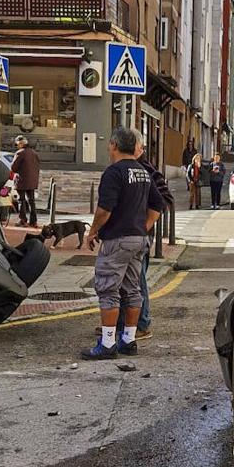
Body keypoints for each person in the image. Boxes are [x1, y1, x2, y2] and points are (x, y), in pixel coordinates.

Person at [81, 128, 164, 367]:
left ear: (114, 145)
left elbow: (105, 209)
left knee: (108, 288)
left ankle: (107, 344)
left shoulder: (114, 172)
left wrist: (93, 230)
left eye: (109, 144)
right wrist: (143, 226)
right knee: (132, 289)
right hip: (139, 239)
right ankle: (128, 340)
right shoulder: (143, 172)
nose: (108, 148)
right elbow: (157, 204)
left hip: (117, 239)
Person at [115, 145, 174, 343]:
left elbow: (164, 199)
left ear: (140, 149)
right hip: (128, 234)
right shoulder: (126, 168)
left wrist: (145, 224)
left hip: (139, 235)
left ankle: (142, 324)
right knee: (126, 281)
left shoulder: (146, 170)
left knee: (136, 280)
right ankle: (123, 324)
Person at [10, 135, 41, 228]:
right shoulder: (34, 153)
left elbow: (13, 167)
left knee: (21, 200)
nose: (17, 146)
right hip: (32, 181)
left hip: (22, 181)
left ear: (21, 143)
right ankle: (33, 221)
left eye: (17, 144)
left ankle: (23, 220)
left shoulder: (20, 153)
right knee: (32, 201)